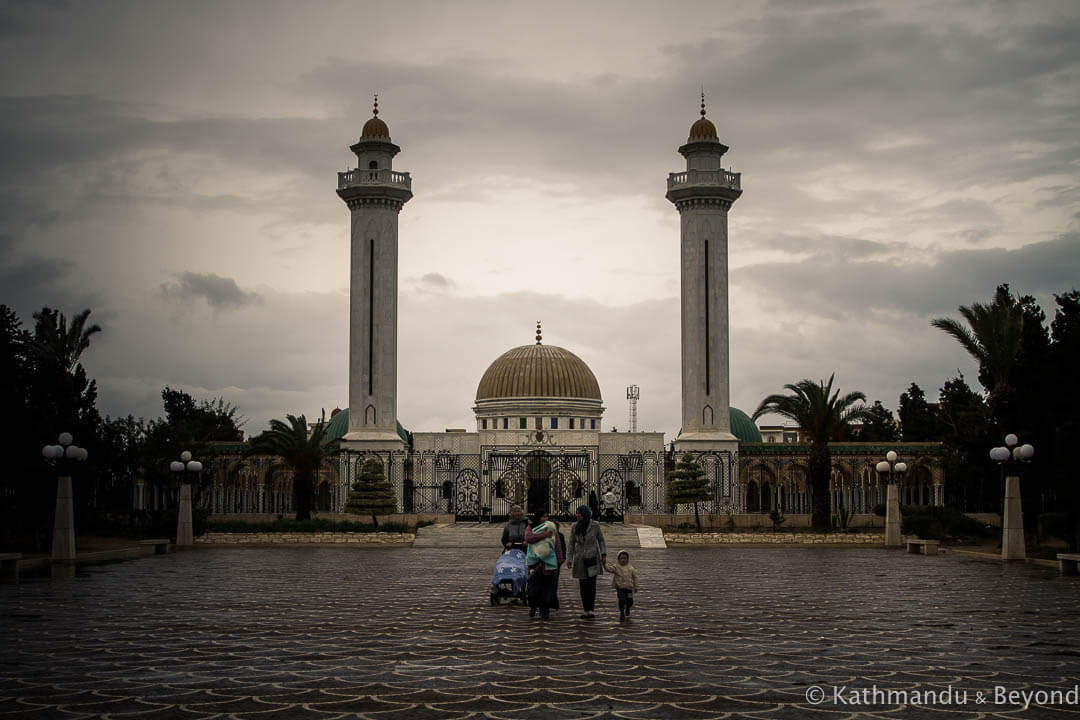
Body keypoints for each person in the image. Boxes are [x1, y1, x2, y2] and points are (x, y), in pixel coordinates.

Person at [566, 504, 606, 619]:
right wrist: (569, 559)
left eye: (579, 513)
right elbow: (571, 543)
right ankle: (585, 609)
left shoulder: (595, 525)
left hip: (592, 557)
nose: (577, 515)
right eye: (577, 513)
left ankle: (591, 609)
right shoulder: (575, 526)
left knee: (591, 584)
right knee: (583, 584)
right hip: (580, 558)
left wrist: (604, 554)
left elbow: (601, 540)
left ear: (585, 514)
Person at [526, 509, 565, 611]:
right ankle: (533, 606)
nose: (545, 519)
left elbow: (557, 544)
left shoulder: (551, 527)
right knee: (534, 585)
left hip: (548, 561)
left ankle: (545, 608)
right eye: (542, 516)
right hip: (535, 561)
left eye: (546, 516)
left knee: (546, 586)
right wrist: (544, 535)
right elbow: (529, 538)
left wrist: (560, 559)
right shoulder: (531, 527)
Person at [605, 550, 639, 622]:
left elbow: (635, 577)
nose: (623, 560)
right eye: (621, 558)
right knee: (622, 600)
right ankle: (622, 613)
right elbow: (609, 569)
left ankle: (627, 608)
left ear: (628, 559)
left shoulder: (631, 568)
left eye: (625, 558)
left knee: (630, 601)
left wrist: (636, 587)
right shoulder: (616, 567)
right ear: (618, 559)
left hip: (629, 588)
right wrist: (604, 564)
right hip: (620, 587)